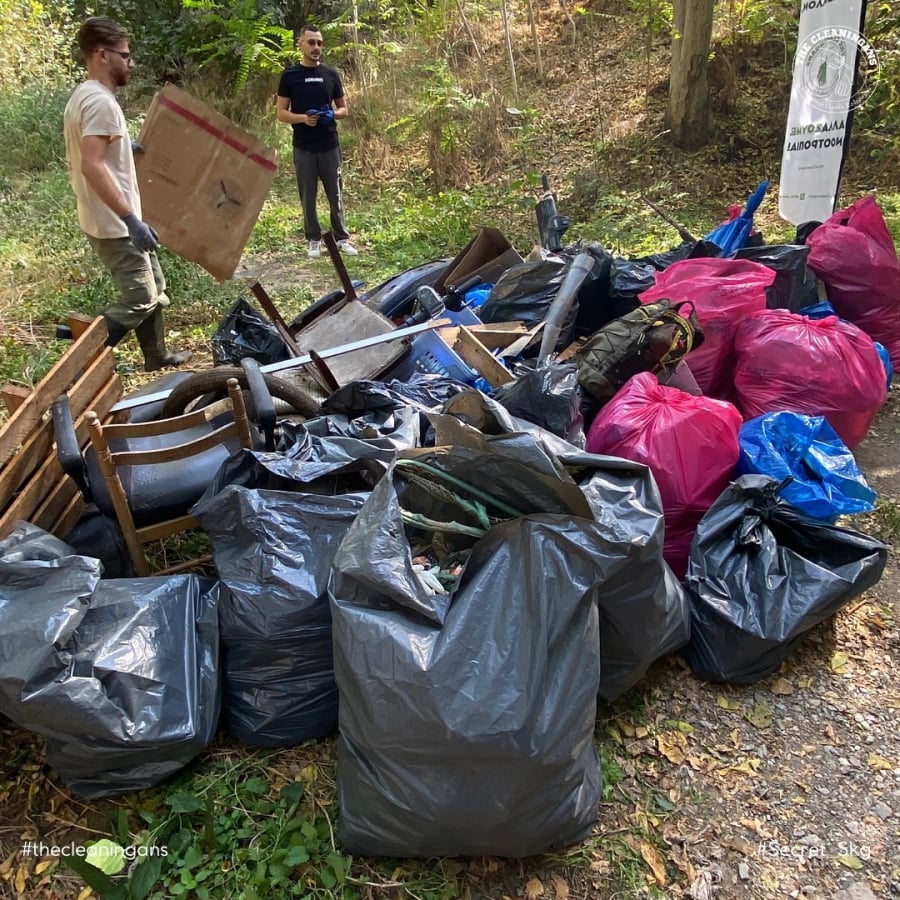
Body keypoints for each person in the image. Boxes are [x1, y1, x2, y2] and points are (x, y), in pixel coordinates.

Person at [63, 16, 192, 372]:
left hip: (109, 216)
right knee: (140, 298)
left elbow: (96, 151)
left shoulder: (85, 95)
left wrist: (123, 147)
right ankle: (81, 353)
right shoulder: (101, 103)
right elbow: (92, 165)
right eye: (125, 55)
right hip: (115, 222)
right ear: (102, 55)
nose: (130, 62)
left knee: (156, 285)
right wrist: (131, 219)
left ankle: (156, 354)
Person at [276, 25, 358, 259]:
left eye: (319, 43)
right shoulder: (290, 75)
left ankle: (341, 238)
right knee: (307, 195)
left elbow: (344, 109)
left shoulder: (330, 74)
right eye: (311, 42)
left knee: (336, 194)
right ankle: (313, 239)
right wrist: (303, 118)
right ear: (300, 44)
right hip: (303, 146)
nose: (316, 47)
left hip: (329, 145)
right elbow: (281, 113)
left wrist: (332, 114)